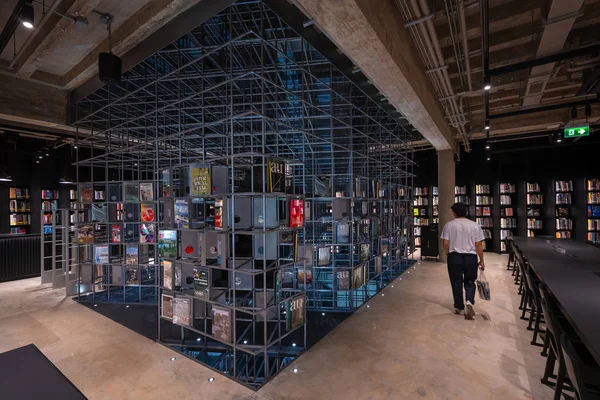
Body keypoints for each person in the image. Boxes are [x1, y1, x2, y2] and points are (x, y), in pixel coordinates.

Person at [440, 202, 485, 319]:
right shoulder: (475, 225)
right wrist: (482, 260)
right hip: (470, 257)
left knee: (456, 282)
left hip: (454, 257)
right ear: (466, 212)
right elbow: (479, 244)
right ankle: (469, 301)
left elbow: (445, 243)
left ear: (454, 213)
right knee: (470, 281)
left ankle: (459, 307)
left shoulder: (449, 225)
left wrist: (447, 253)